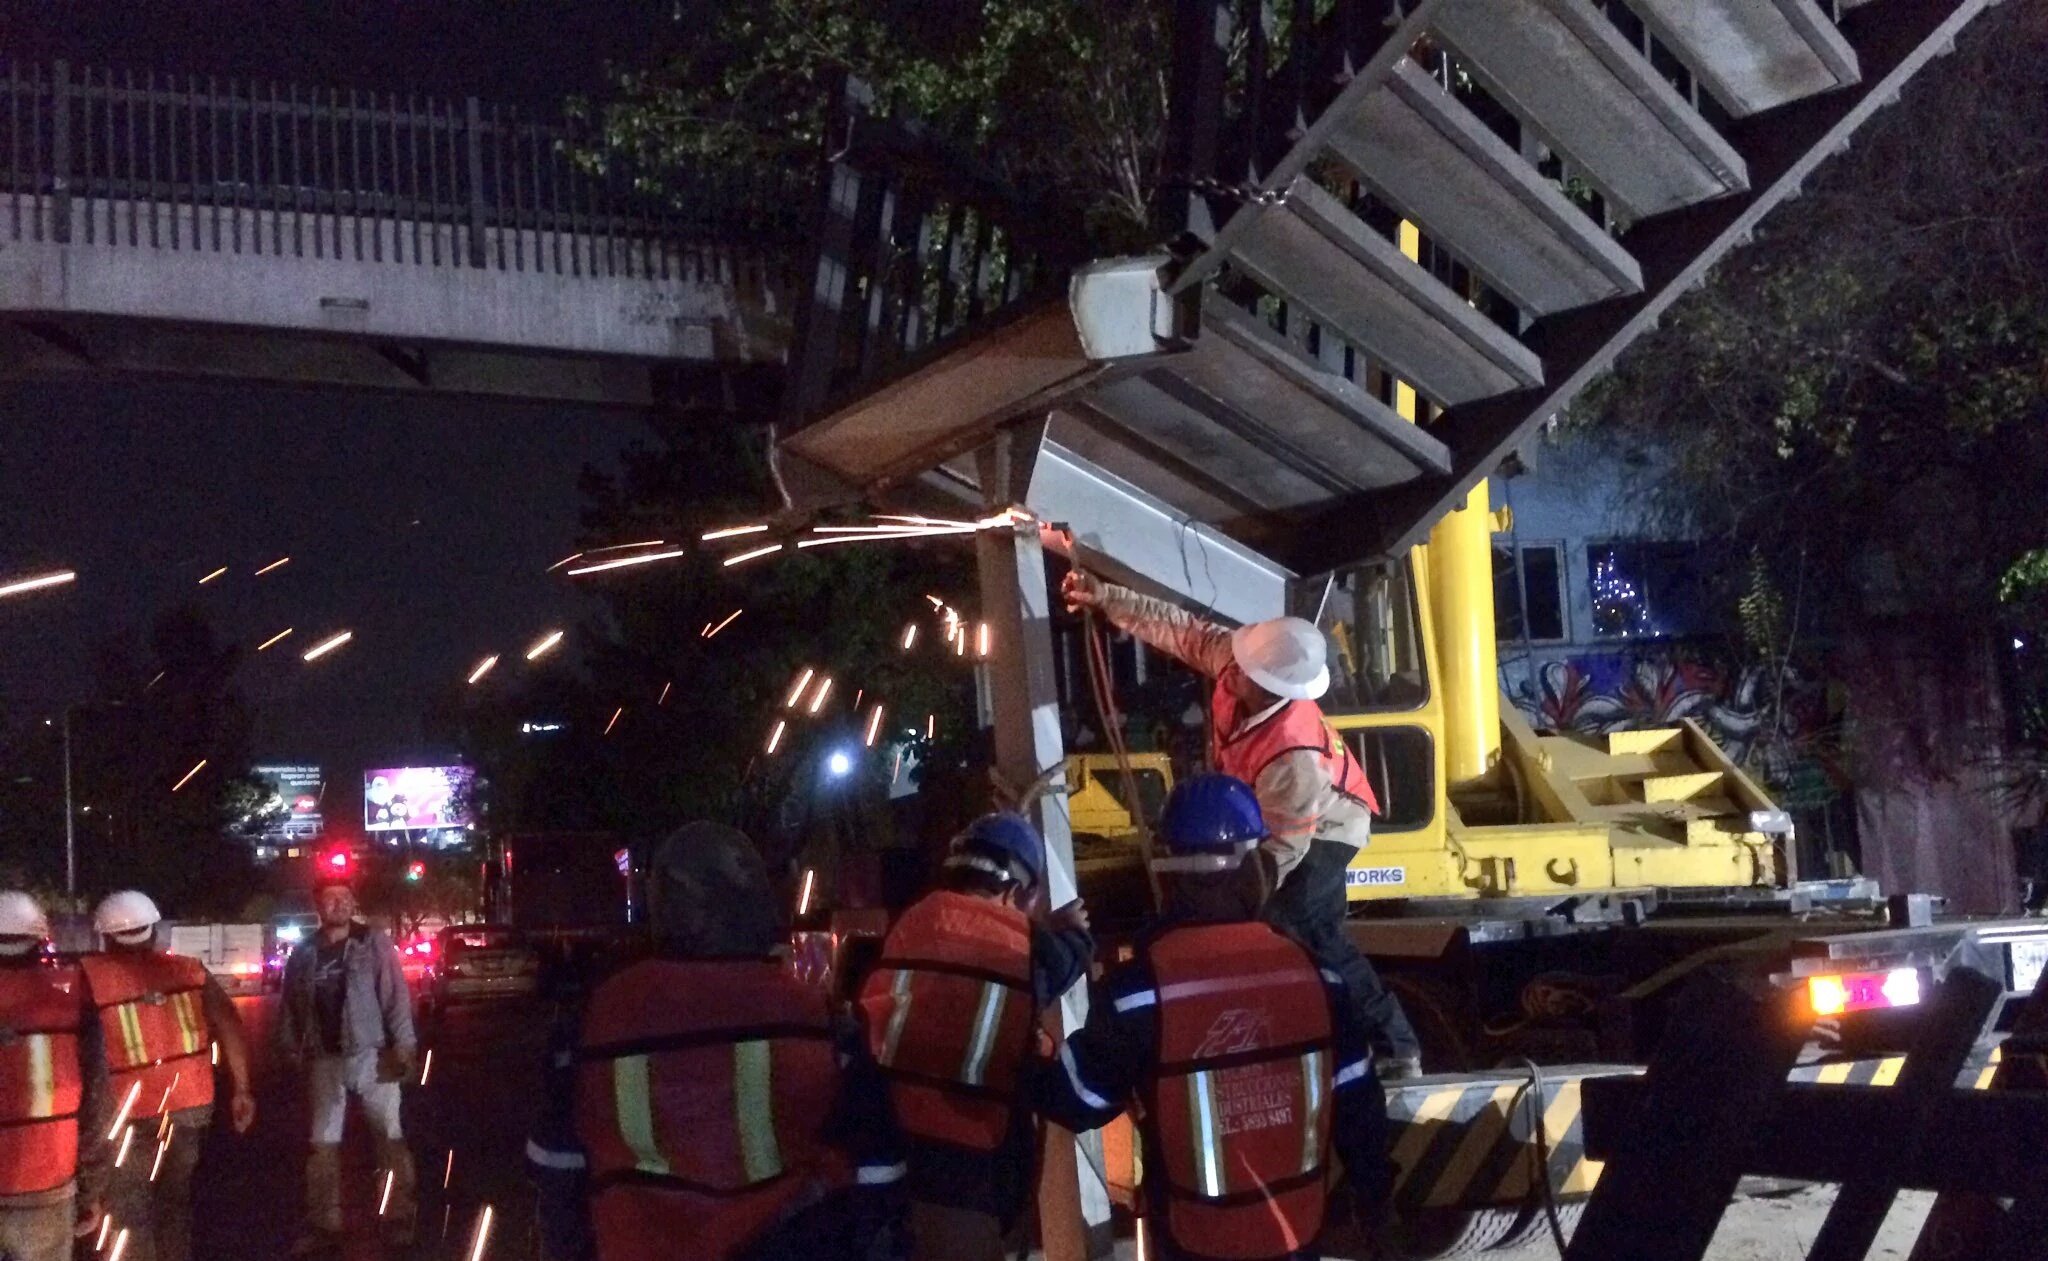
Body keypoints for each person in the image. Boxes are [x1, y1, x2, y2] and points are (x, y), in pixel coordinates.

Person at [1063, 570, 1421, 1071]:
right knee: (1277, 926)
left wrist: (1237, 895)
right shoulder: (1242, 664)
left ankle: (1393, 1046)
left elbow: (1286, 847)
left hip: (1328, 828)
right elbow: (1179, 629)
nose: (1232, 670)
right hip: (1281, 820)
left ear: (1272, 685)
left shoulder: (1293, 758)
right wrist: (1106, 597)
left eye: (1247, 670)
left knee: (1301, 923)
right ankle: (1327, 1036)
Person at [1028, 776, 1393, 1260]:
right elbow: (1360, 1114)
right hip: (1294, 1238)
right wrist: (1380, 1210)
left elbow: (1076, 1102)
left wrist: (1028, 1025)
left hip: (1193, 1244)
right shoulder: (1319, 979)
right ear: (1254, 870)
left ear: (1171, 875)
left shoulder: (1139, 994)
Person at [526, 821, 906, 1261]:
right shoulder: (817, 1017)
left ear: (662, 905)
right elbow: (879, 1167)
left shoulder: (597, 1018)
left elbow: (555, 1165)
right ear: (758, 905)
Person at [856, 813, 1093, 1261]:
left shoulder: (912, 923)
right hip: (972, 1149)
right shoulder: (1023, 944)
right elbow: (1060, 963)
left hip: (895, 1134)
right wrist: (1074, 936)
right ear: (1021, 892)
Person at [82, 890, 257, 1261]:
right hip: (189, 1107)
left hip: (126, 1112)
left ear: (105, 936)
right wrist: (242, 1089)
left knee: (128, 1211)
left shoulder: (90, 977)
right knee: (174, 1205)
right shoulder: (190, 970)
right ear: (154, 930)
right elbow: (228, 1022)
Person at [276, 871, 418, 1256]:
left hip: (372, 1054)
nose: (336, 904)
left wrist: (403, 1047)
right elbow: (290, 1005)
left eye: (343, 897)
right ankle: (324, 1224)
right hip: (325, 1059)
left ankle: (398, 1216)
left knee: (388, 1136)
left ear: (353, 903)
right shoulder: (305, 952)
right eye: (328, 898)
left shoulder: (373, 944)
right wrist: (290, 1046)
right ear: (317, 904)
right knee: (323, 1144)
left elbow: (395, 998)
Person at [0, 890, 108, 1261]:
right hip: (47, 1181)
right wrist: (90, 1189)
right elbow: (97, 1103)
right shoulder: (71, 1002)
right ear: (39, 941)